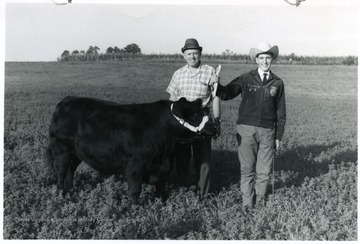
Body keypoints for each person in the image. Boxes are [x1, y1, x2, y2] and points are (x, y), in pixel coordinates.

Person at [216, 42, 286, 209]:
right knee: (247, 170)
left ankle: (260, 205)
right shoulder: (246, 78)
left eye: (267, 57)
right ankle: (247, 206)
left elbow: (281, 112)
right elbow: (227, 93)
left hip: (268, 131)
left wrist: (278, 136)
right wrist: (216, 84)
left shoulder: (278, 83)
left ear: (272, 60)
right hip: (246, 130)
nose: (264, 61)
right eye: (261, 57)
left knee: (264, 172)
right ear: (256, 60)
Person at [166, 38, 221, 198]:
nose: (192, 57)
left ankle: (203, 194)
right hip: (182, 121)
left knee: (203, 158)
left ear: (200, 54)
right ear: (184, 55)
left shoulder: (210, 72)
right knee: (182, 156)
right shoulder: (178, 74)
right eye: (189, 54)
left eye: (195, 53)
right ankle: (185, 188)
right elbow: (172, 98)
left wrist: (217, 119)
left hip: (202, 119)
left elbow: (215, 97)